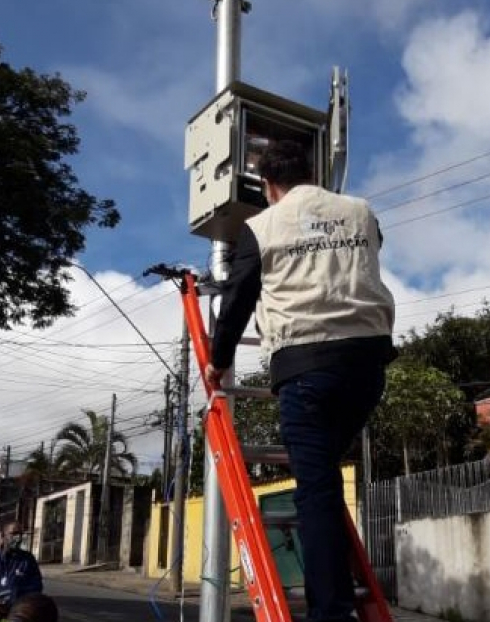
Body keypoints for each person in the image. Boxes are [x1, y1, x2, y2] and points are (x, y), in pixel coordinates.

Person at [205, 140, 396, 622]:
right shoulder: (361, 211)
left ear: (269, 186)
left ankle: (330, 612)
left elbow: (237, 301)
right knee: (323, 478)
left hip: (306, 367)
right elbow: (369, 249)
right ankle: (339, 584)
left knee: (314, 490)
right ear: (312, 173)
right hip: (367, 366)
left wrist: (217, 359)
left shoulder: (261, 226)